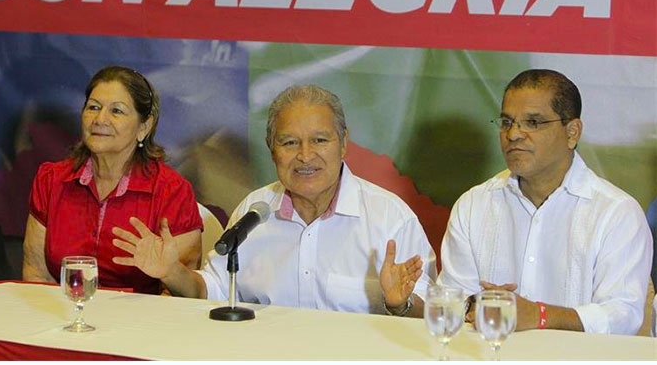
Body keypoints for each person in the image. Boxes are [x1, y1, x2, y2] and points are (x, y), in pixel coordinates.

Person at [112, 84, 436, 315]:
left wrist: (399, 304)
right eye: (289, 142)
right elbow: (210, 291)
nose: (305, 156)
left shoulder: (390, 217)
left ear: (343, 143)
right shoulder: (255, 211)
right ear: (272, 150)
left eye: (319, 140)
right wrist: (172, 272)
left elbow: (431, 315)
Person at [438, 69, 652, 335]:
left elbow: (622, 316)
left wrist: (539, 315)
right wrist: (473, 305)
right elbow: (451, 303)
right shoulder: (473, 205)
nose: (513, 134)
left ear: (572, 132)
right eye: (506, 122)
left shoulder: (616, 213)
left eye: (533, 122)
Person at [22, 66, 203, 294]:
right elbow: (37, 274)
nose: (100, 119)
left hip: (143, 316)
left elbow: (184, 294)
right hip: (67, 311)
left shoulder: (172, 191)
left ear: (144, 127)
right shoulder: (51, 180)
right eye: (93, 107)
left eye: (116, 111)